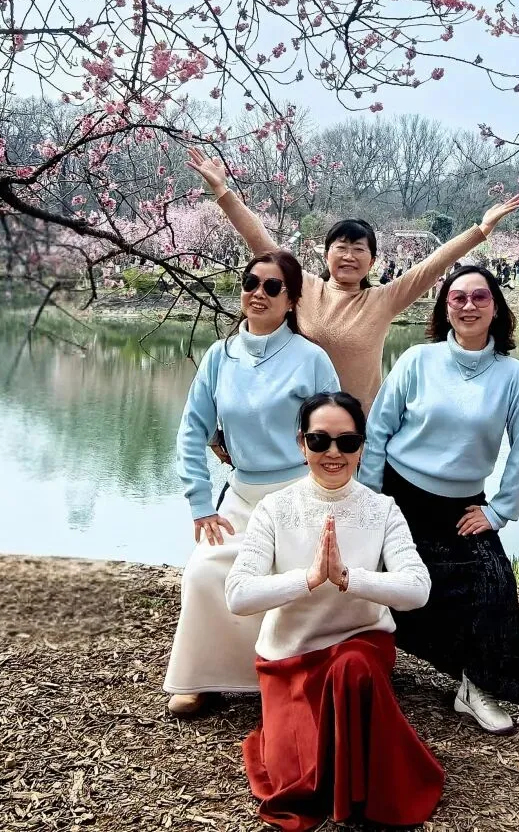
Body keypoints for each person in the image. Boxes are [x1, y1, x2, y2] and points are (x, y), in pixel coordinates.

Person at [225, 391, 443, 831]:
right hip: (290, 656)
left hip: (359, 647)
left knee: (353, 667)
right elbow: (238, 595)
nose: (333, 453)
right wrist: (307, 579)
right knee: (298, 786)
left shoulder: (382, 509)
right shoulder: (274, 508)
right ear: (301, 444)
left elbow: (418, 589)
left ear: (362, 447)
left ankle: (368, 793)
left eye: (347, 442)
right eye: (319, 440)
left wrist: (348, 578)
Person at [186, 150, 519, 410]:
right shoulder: (305, 287)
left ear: (372, 261)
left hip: (358, 430)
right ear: (326, 255)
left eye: (359, 249)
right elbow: (260, 242)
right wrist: (222, 191)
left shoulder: (383, 300)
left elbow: (432, 265)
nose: (349, 256)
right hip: (300, 427)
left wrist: (481, 230)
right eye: (341, 247)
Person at [361, 266, 519, 734]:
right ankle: (362, 664)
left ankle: (475, 686)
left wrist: (499, 511)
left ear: (496, 307)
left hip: (463, 506)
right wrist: (370, 500)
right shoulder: (417, 361)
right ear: (445, 308)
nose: (468, 305)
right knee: (384, 577)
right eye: (457, 297)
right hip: (400, 494)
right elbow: (378, 431)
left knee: (493, 584)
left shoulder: (512, 375)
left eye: (480, 296)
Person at [163, 251, 340, 717]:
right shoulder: (220, 356)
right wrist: (201, 504)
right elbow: (191, 430)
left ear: (291, 299)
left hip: (300, 495)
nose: (258, 294)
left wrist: (335, 500)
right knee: (204, 570)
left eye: (272, 287)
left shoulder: (312, 359)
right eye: (251, 283)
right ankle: (205, 679)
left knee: (291, 577)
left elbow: (335, 436)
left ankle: (291, 677)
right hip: (241, 496)